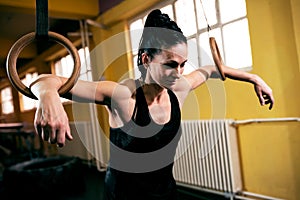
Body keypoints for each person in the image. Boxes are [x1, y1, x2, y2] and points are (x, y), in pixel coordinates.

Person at [30, 9, 274, 200]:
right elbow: (45, 80)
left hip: (165, 193)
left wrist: (254, 78)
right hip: (123, 196)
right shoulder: (122, 96)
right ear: (146, 59)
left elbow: (210, 70)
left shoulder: (179, 89)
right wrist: (49, 96)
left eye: (182, 64)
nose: (178, 72)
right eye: (170, 64)